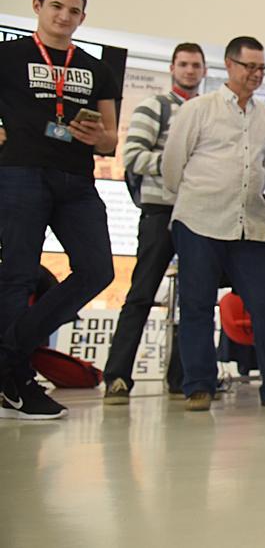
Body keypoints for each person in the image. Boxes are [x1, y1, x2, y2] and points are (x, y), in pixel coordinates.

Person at [161, 36, 265, 412]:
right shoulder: (199, 109)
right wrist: (200, 194)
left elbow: (262, 173)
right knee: (196, 305)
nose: (256, 75)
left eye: (262, 68)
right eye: (250, 67)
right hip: (198, 219)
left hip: (249, 225)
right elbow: (171, 165)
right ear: (229, 65)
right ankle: (198, 385)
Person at [0, 0, 119, 420]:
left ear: (83, 17)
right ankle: (16, 379)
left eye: (73, 11)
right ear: (37, 5)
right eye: (56, 7)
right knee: (17, 275)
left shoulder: (95, 67)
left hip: (76, 179)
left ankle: (8, 355)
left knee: (97, 270)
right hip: (20, 172)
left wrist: (97, 135)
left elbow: (110, 141)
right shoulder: (8, 56)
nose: (64, 17)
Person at [103, 42, 206, 404]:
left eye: (196, 65)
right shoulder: (155, 107)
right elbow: (132, 156)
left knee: (195, 300)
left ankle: (184, 378)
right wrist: (182, 164)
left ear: (205, 70)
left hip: (197, 216)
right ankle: (116, 377)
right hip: (160, 211)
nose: (190, 71)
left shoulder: (209, 112)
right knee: (142, 294)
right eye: (184, 64)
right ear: (172, 68)